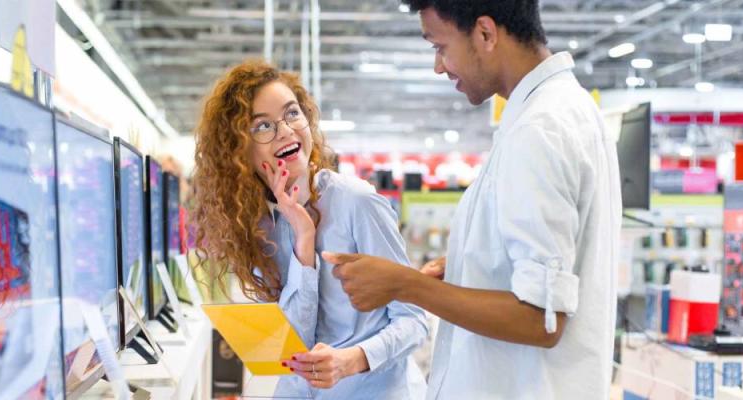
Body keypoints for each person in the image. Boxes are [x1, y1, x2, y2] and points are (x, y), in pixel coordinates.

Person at [322, 1, 622, 399]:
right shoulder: (562, 111)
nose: (439, 66)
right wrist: (474, 262)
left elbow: (541, 319)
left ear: (485, 33)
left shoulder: (538, 130)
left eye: (440, 46)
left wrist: (405, 286)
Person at [191, 59, 428, 399]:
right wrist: (304, 242)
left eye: (292, 114)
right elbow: (296, 342)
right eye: (262, 127)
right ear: (238, 150)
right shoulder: (254, 223)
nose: (286, 131)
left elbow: (414, 320)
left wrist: (353, 359)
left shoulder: (356, 202)